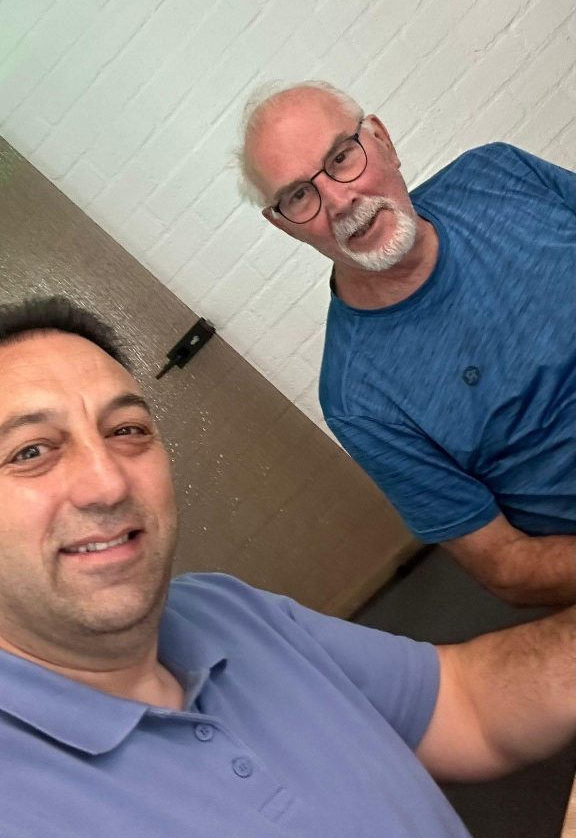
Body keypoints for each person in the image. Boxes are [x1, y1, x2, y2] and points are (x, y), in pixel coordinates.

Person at [0, 295, 575, 837]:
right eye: (30, 451)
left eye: (126, 431)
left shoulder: (221, 608)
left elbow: (462, 703)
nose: (108, 483)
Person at [238, 81, 576, 607]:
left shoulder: (499, 173)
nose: (340, 201)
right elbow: (506, 566)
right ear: (283, 225)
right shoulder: (356, 399)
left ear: (382, 140)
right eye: (299, 195)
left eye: (341, 157)